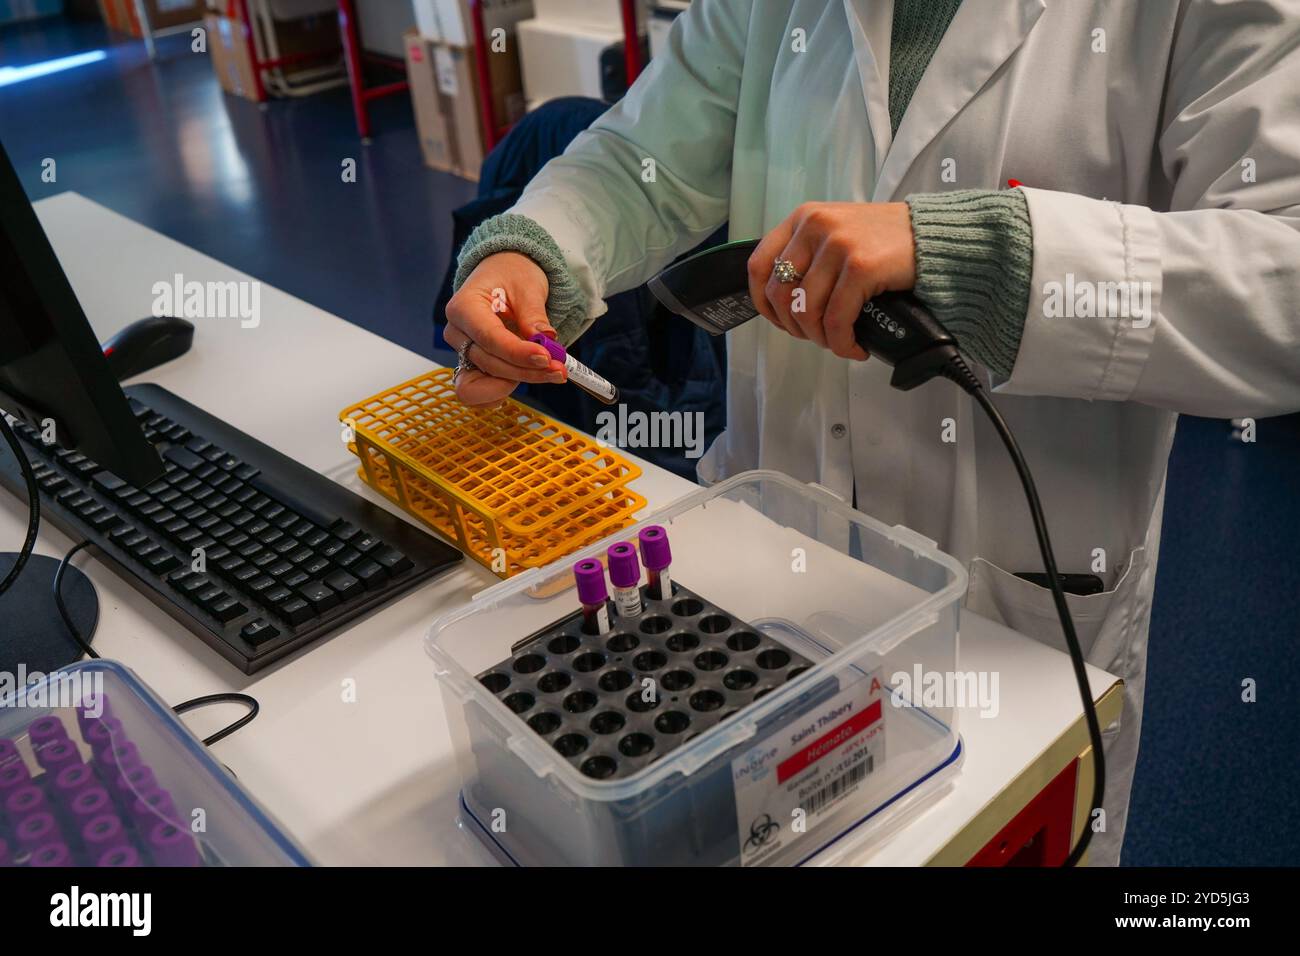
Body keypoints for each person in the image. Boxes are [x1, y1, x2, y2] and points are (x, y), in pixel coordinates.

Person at [442, 0, 1300, 864]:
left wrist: (989, 260)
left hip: (1011, 621)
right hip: (770, 575)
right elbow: (641, 156)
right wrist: (534, 249)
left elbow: (1283, 281)